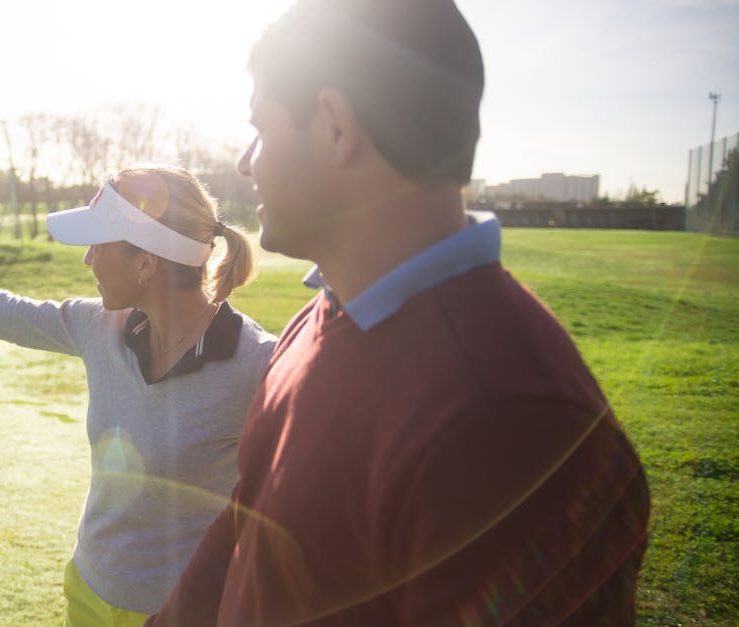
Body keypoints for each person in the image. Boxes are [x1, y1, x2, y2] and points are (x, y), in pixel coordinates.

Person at [147, 0, 651, 625]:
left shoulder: (514, 421)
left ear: (335, 126)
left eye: (261, 129)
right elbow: (247, 527)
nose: (247, 162)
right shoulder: (324, 316)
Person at [0, 164, 277, 626]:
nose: (87, 260)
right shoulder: (101, 326)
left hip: (186, 611)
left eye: (98, 246)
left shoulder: (257, 364)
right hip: (89, 589)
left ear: (145, 264)